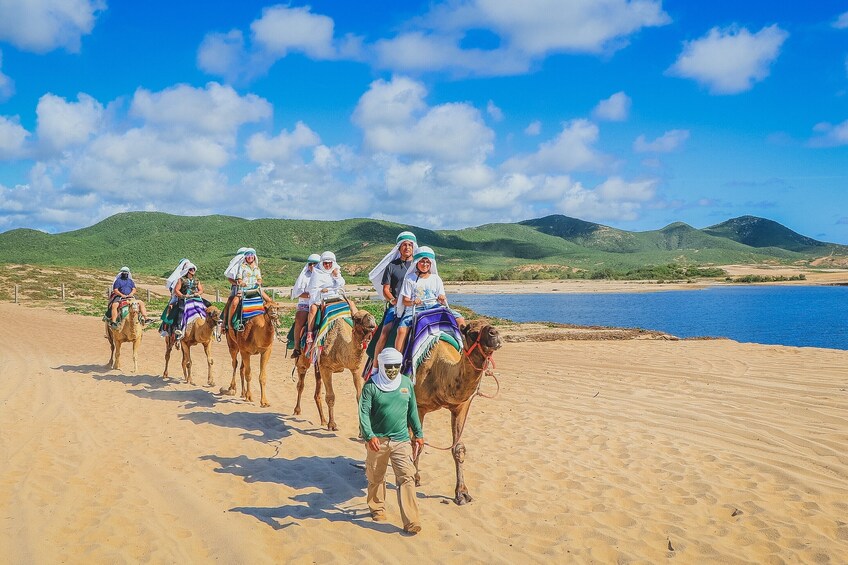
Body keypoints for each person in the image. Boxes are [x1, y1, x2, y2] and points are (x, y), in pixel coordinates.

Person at [358, 347, 424, 534]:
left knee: (407, 477)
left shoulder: (406, 384)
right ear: (381, 365)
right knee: (376, 477)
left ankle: (412, 520)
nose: (393, 370)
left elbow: (412, 411)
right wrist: (369, 436)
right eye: (389, 366)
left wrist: (418, 434)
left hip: (401, 440)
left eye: (397, 366)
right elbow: (363, 413)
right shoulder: (371, 386)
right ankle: (377, 508)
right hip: (378, 441)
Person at [394, 246, 465, 354]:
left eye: (427, 262)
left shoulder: (436, 279)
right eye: (422, 261)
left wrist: (441, 298)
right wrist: (413, 302)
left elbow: (441, 296)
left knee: (460, 319)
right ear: (417, 263)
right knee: (402, 330)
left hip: (434, 307)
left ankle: (464, 349)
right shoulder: (410, 278)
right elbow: (405, 301)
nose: (425, 264)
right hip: (415, 309)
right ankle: (397, 360)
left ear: (431, 263)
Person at [368, 231, 417, 368]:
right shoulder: (392, 266)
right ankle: (375, 367)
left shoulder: (419, 265)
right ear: (399, 248)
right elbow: (386, 289)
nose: (407, 247)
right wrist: (393, 300)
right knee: (384, 333)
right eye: (404, 245)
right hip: (396, 306)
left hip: (415, 305)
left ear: (414, 247)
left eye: (410, 245)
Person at [305, 251, 357, 347]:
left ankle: (358, 324)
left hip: (335, 296)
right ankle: (310, 333)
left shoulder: (335, 271)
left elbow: (341, 284)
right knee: (313, 309)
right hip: (321, 298)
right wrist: (321, 290)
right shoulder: (317, 273)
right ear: (322, 263)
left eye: (330, 263)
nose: (328, 265)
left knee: (351, 303)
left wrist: (336, 275)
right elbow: (312, 289)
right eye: (325, 263)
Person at [290, 253, 321, 358]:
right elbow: (299, 292)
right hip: (306, 303)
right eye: (310, 264)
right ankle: (297, 347)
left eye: (315, 264)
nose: (312, 266)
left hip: (321, 302)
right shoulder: (304, 277)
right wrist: (311, 296)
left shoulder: (324, 276)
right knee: (300, 318)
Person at [170, 260, 203, 338]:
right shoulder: (181, 279)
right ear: (187, 271)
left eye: (194, 269)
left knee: (207, 306)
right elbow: (176, 290)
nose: (193, 271)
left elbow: (201, 290)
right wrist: (183, 296)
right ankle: (179, 328)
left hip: (195, 298)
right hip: (184, 299)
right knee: (181, 309)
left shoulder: (197, 280)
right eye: (191, 269)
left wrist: (198, 293)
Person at [221, 247, 249, 331]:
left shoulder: (252, 265)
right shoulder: (235, 265)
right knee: (231, 302)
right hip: (237, 288)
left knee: (267, 301)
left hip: (250, 288)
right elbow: (229, 278)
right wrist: (238, 283)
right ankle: (225, 323)